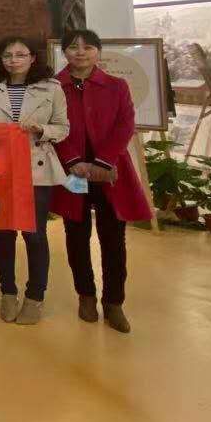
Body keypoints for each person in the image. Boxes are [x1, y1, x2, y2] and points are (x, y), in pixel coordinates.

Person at [54, 28, 148, 334]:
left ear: (98, 51)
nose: (80, 52)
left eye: (88, 47)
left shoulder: (117, 86)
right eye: (73, 47)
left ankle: (114, 302)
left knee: (113, 239)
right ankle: (85, 296)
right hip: (72, 172)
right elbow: (53, 126)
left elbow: (125, 124)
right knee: (76, 236)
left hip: (110, 173)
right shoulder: (54, 86)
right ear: (64, 52)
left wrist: (102, 162)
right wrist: (74, 162)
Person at [0, 36, 69, 325]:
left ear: (32, 58)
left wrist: (41, 129)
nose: (13, 60)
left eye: (20, 54)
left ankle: (35, 296)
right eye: (7, 55)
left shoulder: (52, 88)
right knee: (3, 232)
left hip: (36, 169)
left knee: (34, 233)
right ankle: (8, 292)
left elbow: (63, 128)